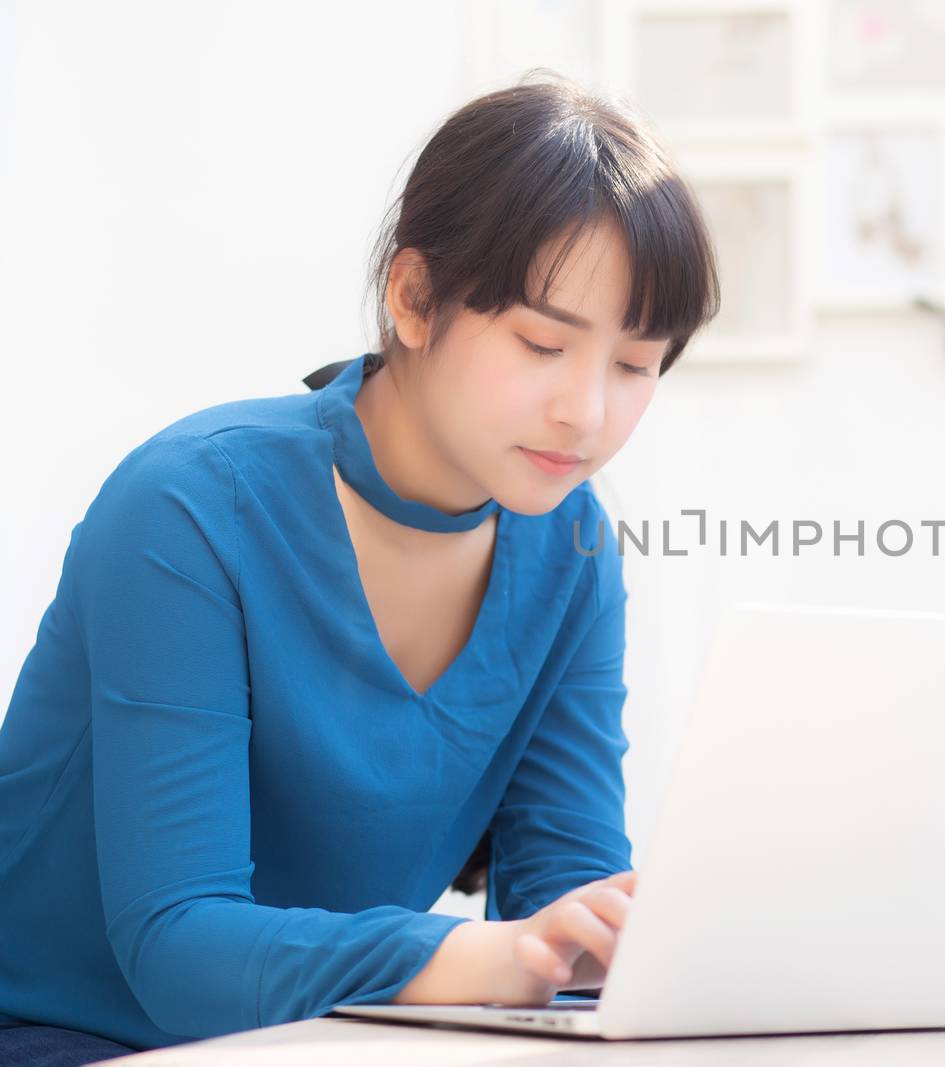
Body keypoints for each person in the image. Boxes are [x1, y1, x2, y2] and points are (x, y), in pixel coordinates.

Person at [0, 69, 720, 1064]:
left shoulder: (574, 546)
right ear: (415, 299)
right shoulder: (192, 505)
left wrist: (638, 944)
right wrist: (490, 955)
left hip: (320, 1042)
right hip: (68, 1036)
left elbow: (565, 899)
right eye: (543, 343)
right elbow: (175, 944)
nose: (588, 413)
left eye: (636, 365)